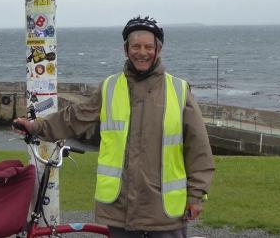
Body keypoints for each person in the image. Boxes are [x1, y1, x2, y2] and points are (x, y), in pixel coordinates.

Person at [15, 16, 214, 238]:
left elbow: (199, 148)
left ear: (158, 50)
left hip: (165, 213)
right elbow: (75, 118)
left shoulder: (178, 89)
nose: (142, 52)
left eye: (149, 47)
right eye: (136, 46)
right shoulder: (109, 87)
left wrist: (196, 196)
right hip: (121, 211)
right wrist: (36, 127)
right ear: (126, 49)